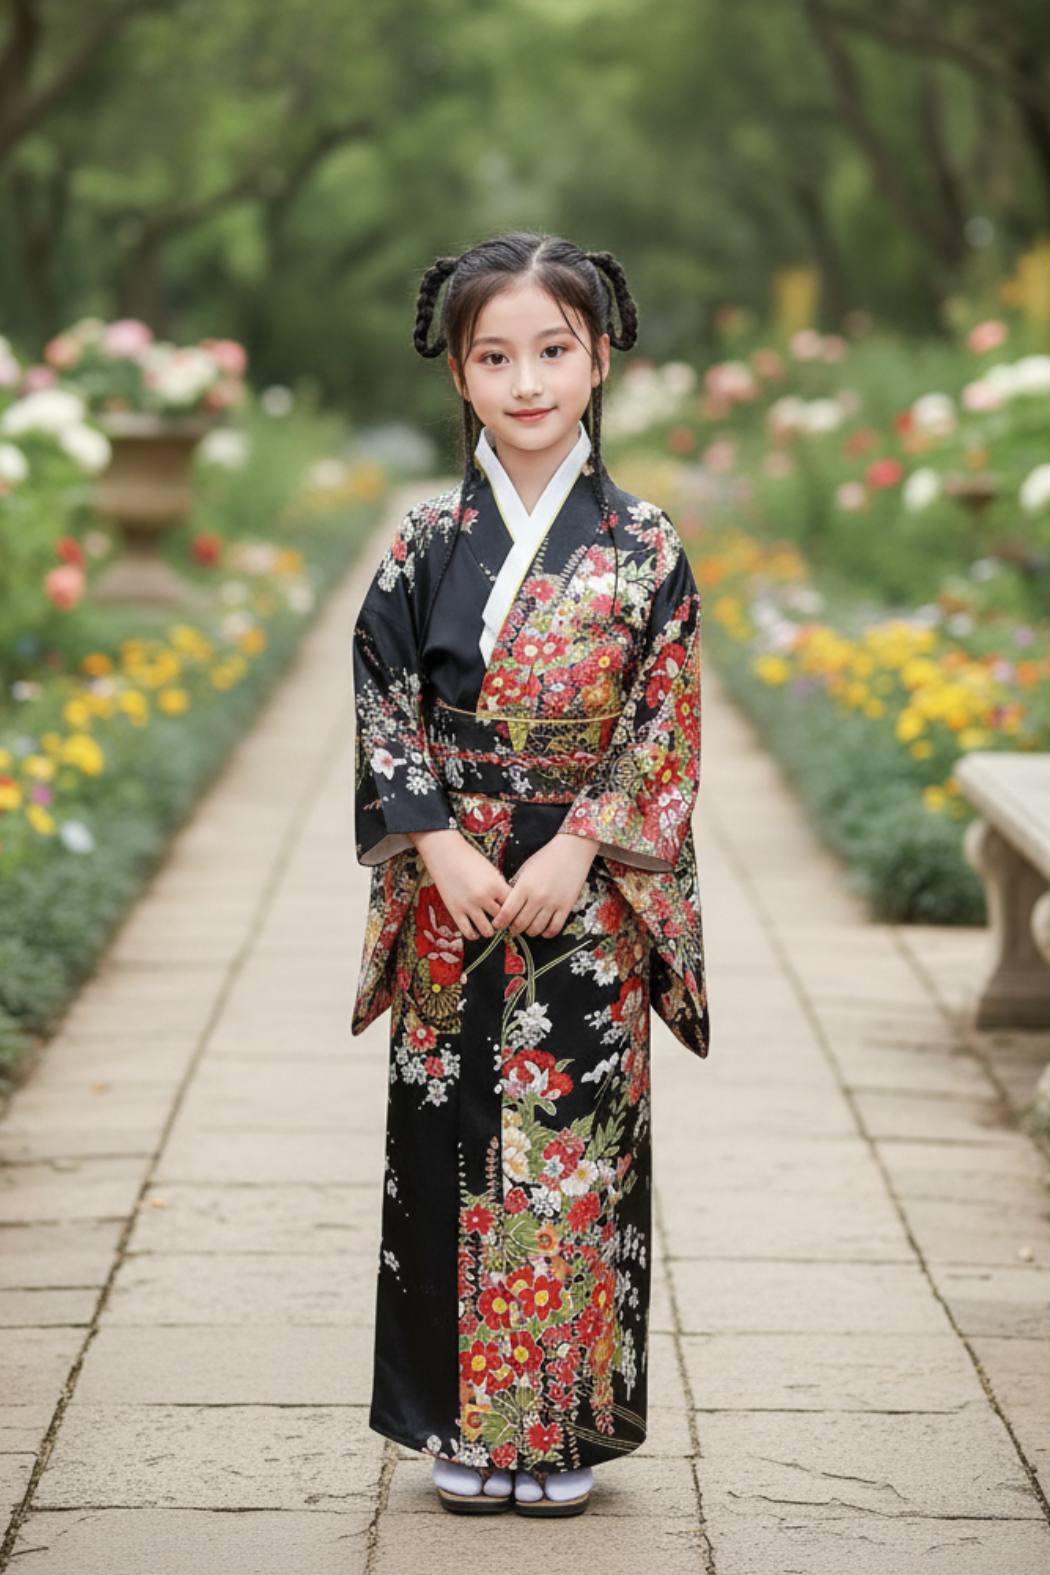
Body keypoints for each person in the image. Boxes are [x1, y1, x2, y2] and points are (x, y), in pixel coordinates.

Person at [350, 229, 710, 1518]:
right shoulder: (424, 541)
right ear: (457, 373)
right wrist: (434, 839)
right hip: (456, 886)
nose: (526, 382)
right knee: (452, 1149)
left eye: (552, 351)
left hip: (587, 892)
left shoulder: (646, 545)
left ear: (599, 356)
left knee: (574, 1156)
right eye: (493, 356)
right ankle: (459, 1422)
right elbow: (384, 695)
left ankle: (556, 1431)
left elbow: (662, 717)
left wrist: (578, 844)